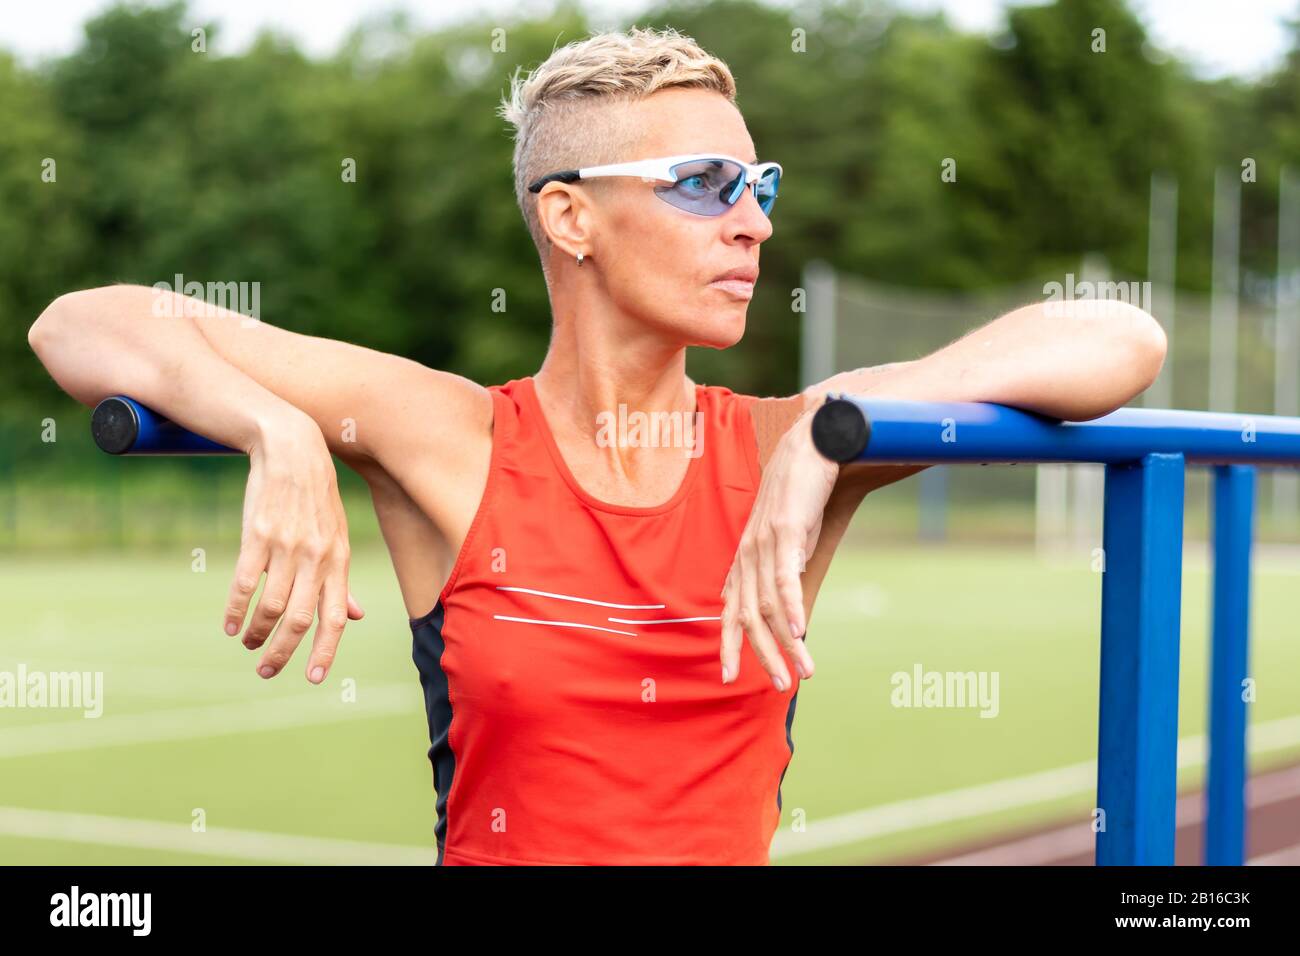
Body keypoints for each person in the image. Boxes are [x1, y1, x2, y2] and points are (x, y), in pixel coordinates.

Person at [27, 27, 1166, 865]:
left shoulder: (784, 439)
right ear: (571, 217)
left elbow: (1116, 336)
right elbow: (82, 321)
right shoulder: (453, 436)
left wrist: (827, 436)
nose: (753, 221)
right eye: (704, 185)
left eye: (758, 185)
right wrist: (269, 423)